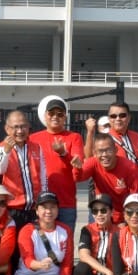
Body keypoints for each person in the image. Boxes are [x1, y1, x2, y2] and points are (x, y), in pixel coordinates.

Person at [12, 192, 74, 275]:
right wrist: (40, 265)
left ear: (57, 209)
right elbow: (28, 260)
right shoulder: (27, 230)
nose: (48, 211)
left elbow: (67, 263)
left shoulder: (65, 230)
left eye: (52, 207)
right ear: (37, 211)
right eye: (44, 207)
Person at [31, 95, 85, 227]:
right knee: (41, 239)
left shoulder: (74, 137)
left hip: (65, 203)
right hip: (40, 202)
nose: (55, 117)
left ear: (65, 117)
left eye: (60, 114)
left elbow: (77, 165)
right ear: (45, 115)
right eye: (51, 113)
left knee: (65, 239)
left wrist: (63, 153)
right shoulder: (32, 139)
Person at [0, 110, 47, 226]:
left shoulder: (36, 148)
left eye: (23, 126)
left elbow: (43, 177)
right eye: (15, 127)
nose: (20, 131)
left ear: (28, 127)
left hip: (34, 210)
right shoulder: (0, 149)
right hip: (12, 210)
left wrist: (43, 202)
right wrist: (6, 151)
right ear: (7, 129)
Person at [72, 132, 138, 225]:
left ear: (116, 150)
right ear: (95, 153)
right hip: (101, 213)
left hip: (124, 216)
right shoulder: (93, 163)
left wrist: (127, 222)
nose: (104, 155)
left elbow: (136, 198)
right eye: (100, 151)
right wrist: (77, 169)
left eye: (108, 150)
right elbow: (78, 178)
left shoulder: (131, 168)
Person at [70, 194, 119, 275]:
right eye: (95, 211)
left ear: (111, 212)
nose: (99, 214)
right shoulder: (87, 229)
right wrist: (107, 272)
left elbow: (122, 263)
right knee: (81, 268)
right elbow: (84, 255)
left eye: (103, 210)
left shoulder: (119, 232)